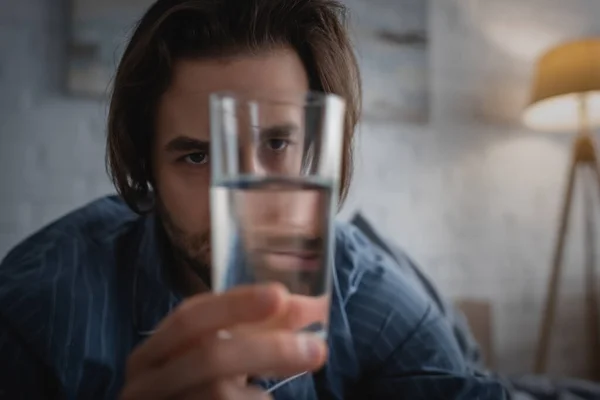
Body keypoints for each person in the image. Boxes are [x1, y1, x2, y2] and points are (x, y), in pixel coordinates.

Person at [0, 0, 509, 398]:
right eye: (198, 157)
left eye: (276, 143)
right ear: (146, 168)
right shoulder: (35, 305)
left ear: (311, 145)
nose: (247, 206)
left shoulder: (366, 295)